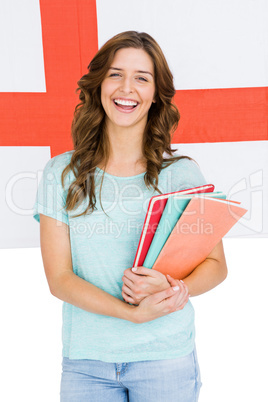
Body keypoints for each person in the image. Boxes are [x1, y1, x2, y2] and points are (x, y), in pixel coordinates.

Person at [33, 31, 228, 402]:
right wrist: (131, 314)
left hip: (165, 359)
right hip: (87, 362)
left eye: (142, 77)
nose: (127, 88)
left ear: (156, 94)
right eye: (115, 74)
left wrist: (173, 287)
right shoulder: (61, 173)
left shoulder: (182, 174)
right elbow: (59, 279)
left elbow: (216, 265)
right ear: (99, 85)